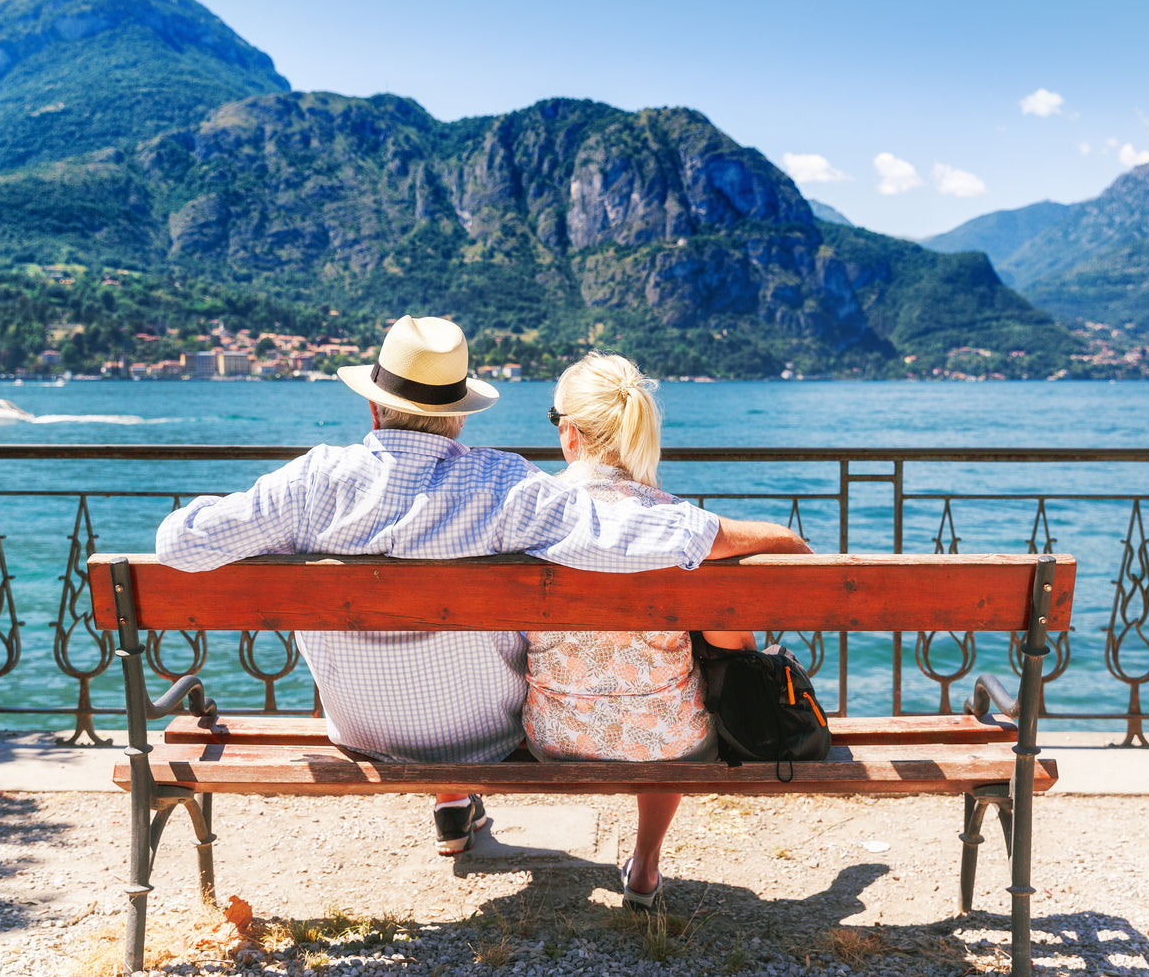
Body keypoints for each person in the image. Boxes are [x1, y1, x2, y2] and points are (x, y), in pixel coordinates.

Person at [154, 315, 809, 856]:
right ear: (460, 416)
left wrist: (278, 519)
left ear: (373, 405)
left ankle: (451, 805)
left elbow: (177, 542)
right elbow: (628, 536)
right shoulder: (501, 485)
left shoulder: (311, 481)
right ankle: (461, 791)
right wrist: (766, 536)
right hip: (483, 739)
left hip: (353, 727)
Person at [522, 352, 783, 909]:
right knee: (669, 704)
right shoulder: (681, 525)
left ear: (570, 433)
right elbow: (741, 632)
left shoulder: (522, 516)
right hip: (671, 745)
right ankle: (644, 867)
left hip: (552, 738)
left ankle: (456, 809)